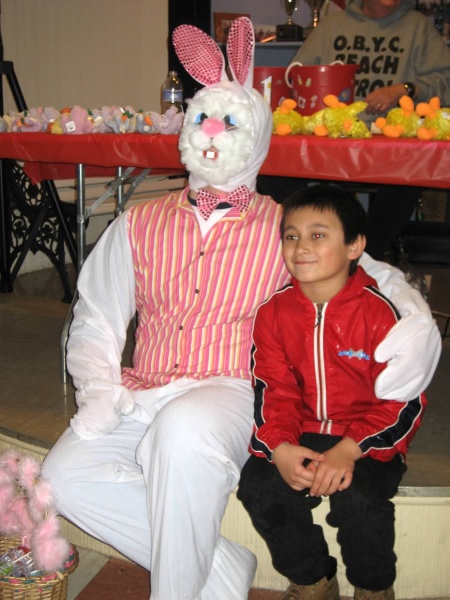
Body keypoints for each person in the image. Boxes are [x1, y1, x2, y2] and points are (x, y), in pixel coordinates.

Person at [42, 18, 440, 600]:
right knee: (64, 477)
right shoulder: (138, 221)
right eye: (204, 117)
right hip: (143, 385)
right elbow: (97, 316)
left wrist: (414, 314)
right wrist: (99, 390)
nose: (212, 132)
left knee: (182, 434)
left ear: (254, 135)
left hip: (229, 389)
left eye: (229, 122)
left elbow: (368, 269)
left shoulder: (284, 225)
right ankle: (220, 570)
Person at [237, 184, 427, 600]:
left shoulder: (385, 315)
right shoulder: (273, 313)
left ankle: (373, 588)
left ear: (355, 245)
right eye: (291, 235)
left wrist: (350, 449)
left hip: (367, 438)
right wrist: (281, 446)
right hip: (302, 429)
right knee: (259, 486)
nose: (301, 247)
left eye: (318, 235)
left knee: (359, 500)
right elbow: (273, 389)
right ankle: (313, 580)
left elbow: (405, 401)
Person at [257, 0, 450, 260]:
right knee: (271, 169)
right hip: (329, 137)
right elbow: (297, 75)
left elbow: (446, 81)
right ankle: (305, 247)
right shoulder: (333, 25)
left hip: (391, 137)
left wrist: (403, 89)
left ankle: (365, 258)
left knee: (409, 179)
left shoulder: (418, 27)